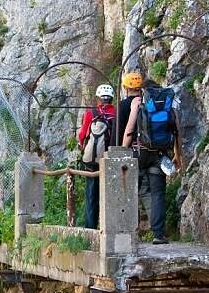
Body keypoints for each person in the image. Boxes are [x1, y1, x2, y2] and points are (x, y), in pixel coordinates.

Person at [121, 74, 183, 244]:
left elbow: (130, 128)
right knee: (157, 194)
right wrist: (178, 156)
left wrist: (122, 150)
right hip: (159, 155)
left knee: (131, 192)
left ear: (144, 90)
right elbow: (177, 133)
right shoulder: (170, 104)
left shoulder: (138, 103)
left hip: (139, 152)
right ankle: (158, 234)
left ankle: (129, 233)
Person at [77, 84, 116, 228]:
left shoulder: (91, 113)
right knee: (111, 195)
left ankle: (91, 228)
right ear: (112, 98)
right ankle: (110, 227)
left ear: (99, 98)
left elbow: (82, 136)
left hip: (92, 161)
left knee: (91, 196)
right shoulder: (116, 112)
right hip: (111, 159)